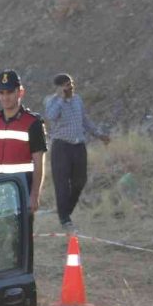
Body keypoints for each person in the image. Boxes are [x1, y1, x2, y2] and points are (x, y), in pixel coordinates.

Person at [0, 70, 47, 215]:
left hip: (20, 189)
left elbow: (39, 163)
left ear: (20, 92)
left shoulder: (33, 123)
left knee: (20, 236)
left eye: (10, 92)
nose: (5, 97)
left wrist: (34, 195)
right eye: (2, 93)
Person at [44, 73, 110, 233]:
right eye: (66, 85)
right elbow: (51, 116)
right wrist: (60, 98)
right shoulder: (52, 101)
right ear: (59, 88)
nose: (70, 87)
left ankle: (65, 211)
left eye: (70, 83)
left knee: (80, 181)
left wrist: (99, 134)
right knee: (62, 184)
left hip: (78, 145)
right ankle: (65, 219)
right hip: (61, 147)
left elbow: (84, 120)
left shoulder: (78, 100)